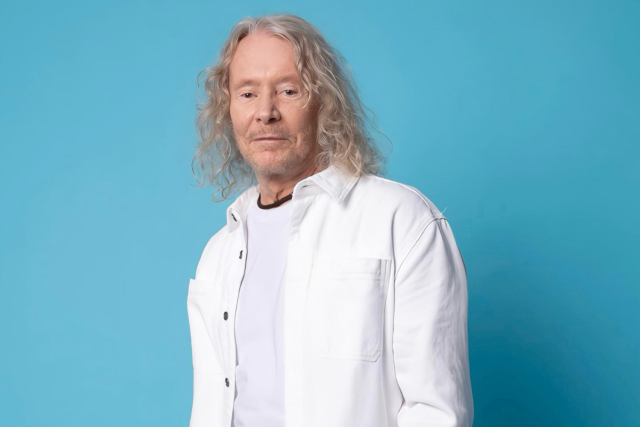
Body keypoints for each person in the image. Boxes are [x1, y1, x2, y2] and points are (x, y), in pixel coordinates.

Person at [188, 13, 473, 427]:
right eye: (247, 93)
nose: (265, 112)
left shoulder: (402, 222)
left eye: (288, 90)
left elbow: (436, 412)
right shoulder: (218, 255)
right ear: (227, 108)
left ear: (324, 100)